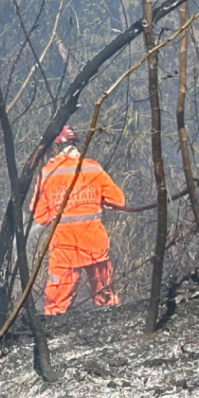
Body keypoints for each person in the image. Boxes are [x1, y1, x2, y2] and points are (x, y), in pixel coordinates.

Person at [31, 125, 126, 316]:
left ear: (55, 147)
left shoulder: (48, 173)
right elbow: (118, 201)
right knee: (105, 298)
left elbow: (39, 216)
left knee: (55, 306)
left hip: (64, 248)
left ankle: (53, 339)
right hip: (94, 244)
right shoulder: (92, 167)